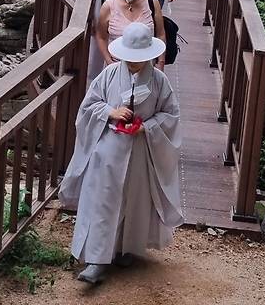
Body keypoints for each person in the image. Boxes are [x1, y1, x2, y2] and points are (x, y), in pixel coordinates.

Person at [59, 19, 182, 285]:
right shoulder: (110, 74)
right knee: (103, 201)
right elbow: (89, 105)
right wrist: (110, 112)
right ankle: (96, 259)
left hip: (140, 152)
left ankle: (127, 248)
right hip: (108, 151)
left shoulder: (159, 81)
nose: (133, 63)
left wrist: (147, 127)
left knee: (133, 201)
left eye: (139, 59)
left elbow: (171, 115)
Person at [94, 0, 165, 68]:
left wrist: (161, 62)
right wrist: (108, 60)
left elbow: (160, 33)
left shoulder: (152, 2)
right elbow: (101, 36)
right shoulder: (108, 6)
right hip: (116, 64)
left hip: (146, 65)